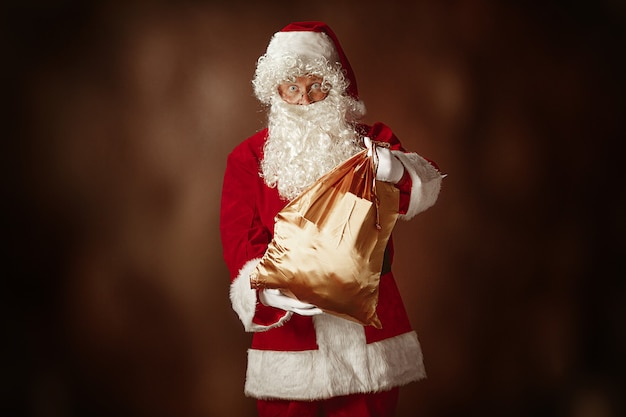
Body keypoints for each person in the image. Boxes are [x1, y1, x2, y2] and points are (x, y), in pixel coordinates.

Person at [220, 21, 443, 417]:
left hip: (370, 345)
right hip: (291, 345)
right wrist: (266, 291)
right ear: (275, 92)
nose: (304, 101)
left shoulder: (370, 142)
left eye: (316, 86)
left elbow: (418, 191)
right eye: (292, 88)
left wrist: (395, 170)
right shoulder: (248, 159)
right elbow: (239, 240)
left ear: (335, 87)